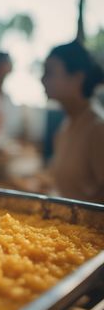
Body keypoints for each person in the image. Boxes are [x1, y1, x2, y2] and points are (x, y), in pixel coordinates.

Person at [41, 40, 104, 203]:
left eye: (49, 72)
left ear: (77, 78)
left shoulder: (98, 128)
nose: (42, 79)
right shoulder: (65, 127)